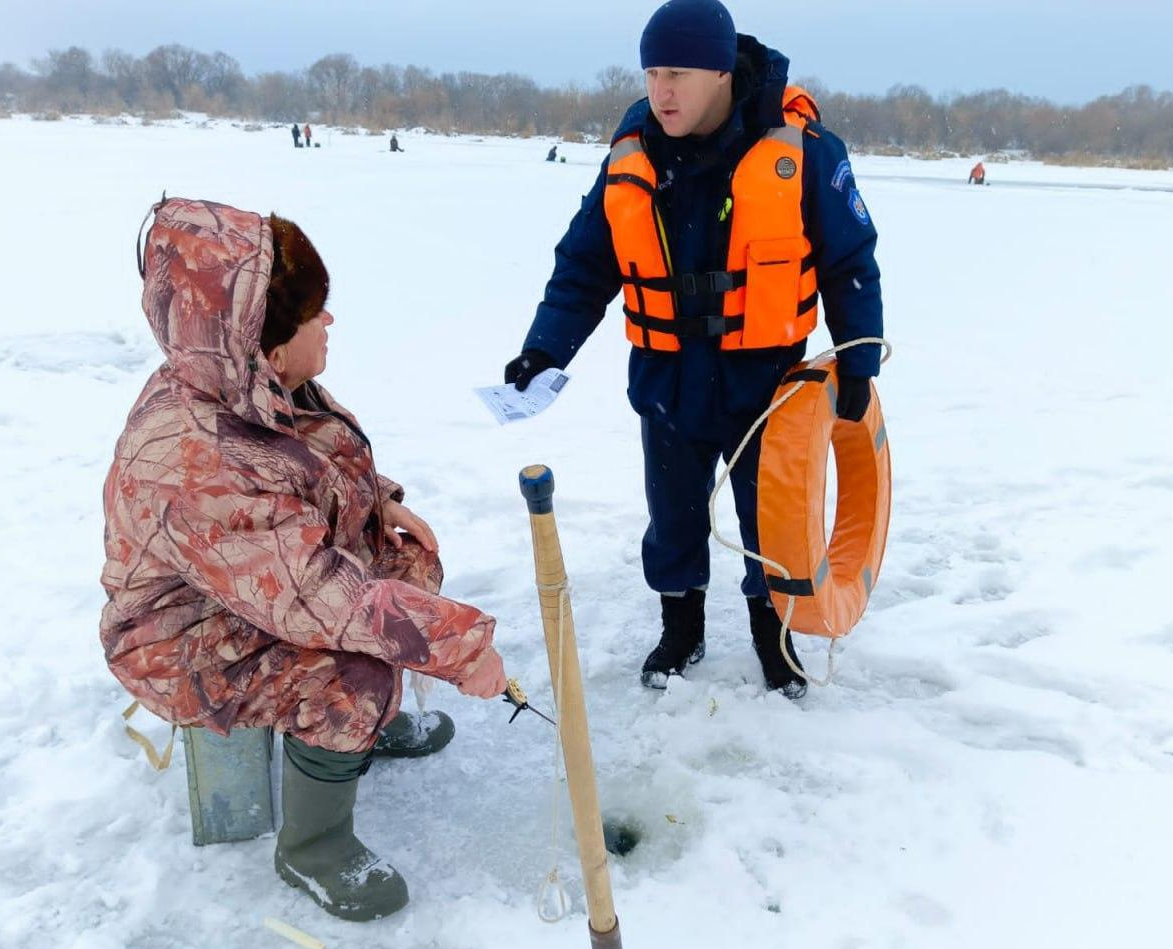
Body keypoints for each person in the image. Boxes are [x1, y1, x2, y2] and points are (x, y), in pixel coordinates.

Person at [101, 197, 508, 921]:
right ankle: (313, 846)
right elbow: (324, 597)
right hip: (183, 636)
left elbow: (302, 460)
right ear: (267, 345)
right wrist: (460, 645)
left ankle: (357, 738)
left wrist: (378, 499)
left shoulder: (246, 382)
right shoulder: (198, 458)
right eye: (313, 314)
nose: (329, 324)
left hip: (256, 587)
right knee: (355, 674)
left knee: (400, 565)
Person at [503, 0, 883, 698]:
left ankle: (774, 635)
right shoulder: (632, 156)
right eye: (650, 73)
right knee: (671, 512)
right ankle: (681, 626)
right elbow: (585, 264)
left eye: (676, 73)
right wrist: (543, 349)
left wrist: (857, 360)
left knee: (768, 519)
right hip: (668, 379)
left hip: (766, 381)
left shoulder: (802, 152)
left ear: (718, 73)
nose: (661, 91)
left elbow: (849, 262)